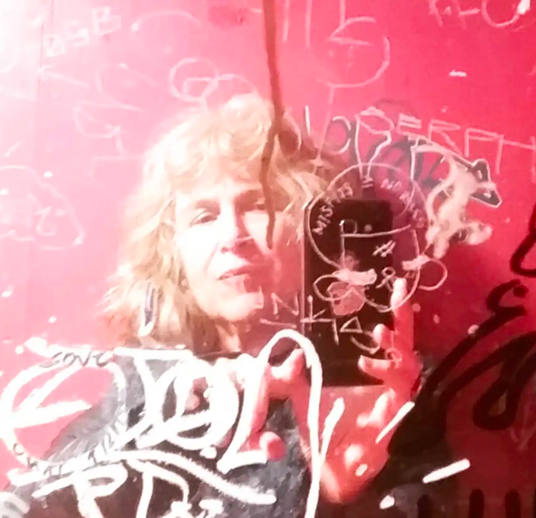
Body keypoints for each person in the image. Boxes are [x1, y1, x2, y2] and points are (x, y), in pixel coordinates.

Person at [12, 94, 455, 518]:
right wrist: (159, 422)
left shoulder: (381, 391)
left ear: (310, 233)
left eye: (259, 206)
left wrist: (342, 492)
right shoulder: (144, 393)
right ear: (174, 257)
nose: (233, 236)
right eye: (204, 216)